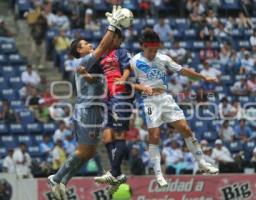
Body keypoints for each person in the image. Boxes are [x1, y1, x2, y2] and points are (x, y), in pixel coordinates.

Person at [47, 5, 134, 200]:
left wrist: (114, 27)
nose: (90, 45)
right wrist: (112, 24)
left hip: (94, 111)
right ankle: (56, 178)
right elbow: (103, 46)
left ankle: (61, 181)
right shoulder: (83, 61)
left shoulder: (91, 63)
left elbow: (108, 46)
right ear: (80, 50)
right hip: (86, 110)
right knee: (83, 151)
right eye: (86, 44)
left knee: (89, 153)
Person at [129, 30, 219, 187]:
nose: (153, 53)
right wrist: (140, 86)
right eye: (150, 50)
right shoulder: (134, 61)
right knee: (155, 136)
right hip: (150, 101)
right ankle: (158, 173)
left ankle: (202, 162)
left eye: (156, 50)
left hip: (166, 98)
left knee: (185, 128)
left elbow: (183, 71)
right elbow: (127, 83)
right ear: (143, 46)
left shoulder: (163, 58)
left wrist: (204, 77)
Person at [93, 29, 134, 185]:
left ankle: (114, 172)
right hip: (106, 98)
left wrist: (122, 79)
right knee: (107, 137)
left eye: (116, 37)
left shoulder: (121, 52)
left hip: (120, 95)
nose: (112, 39)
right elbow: (94, 73)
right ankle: (117, 174)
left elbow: (127, 68)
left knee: (118, 134)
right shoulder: (102, 55)